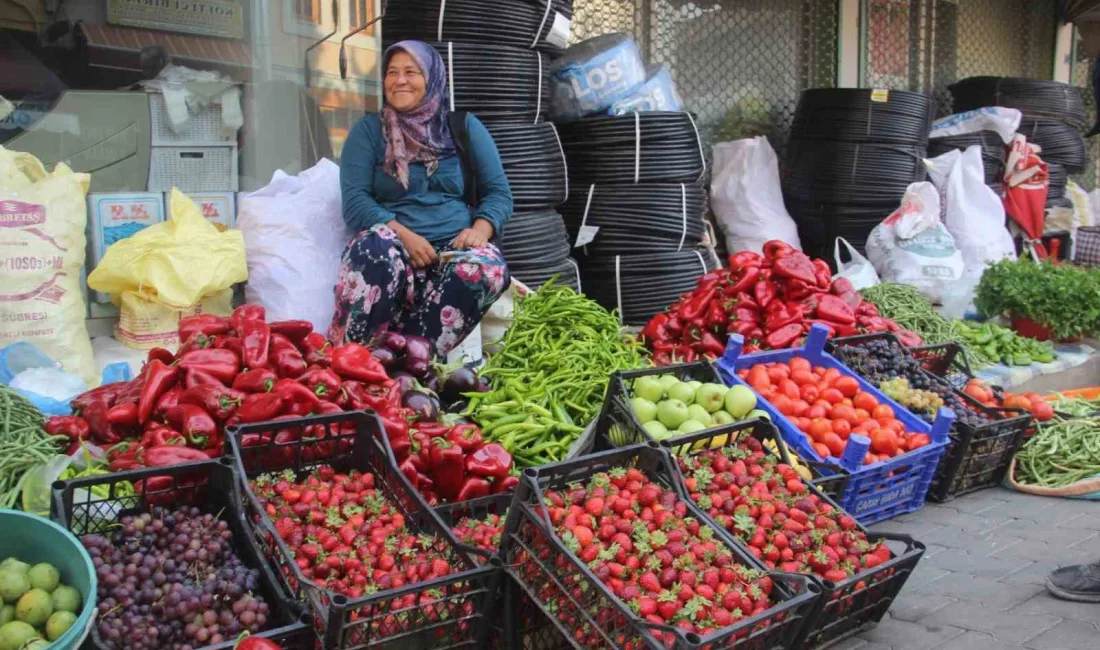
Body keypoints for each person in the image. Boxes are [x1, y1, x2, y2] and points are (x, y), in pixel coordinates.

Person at [331, 40, 512, 357]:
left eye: (411, 72)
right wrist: (405, 237)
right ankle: (355, 361)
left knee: (488, 266)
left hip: (451, 252)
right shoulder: (369, 132)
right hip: (394, 249)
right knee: (372, 247)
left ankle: (413, 360)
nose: (399, 80)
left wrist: (479, 232)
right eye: (391, 72)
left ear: (432, 78)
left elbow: (498, 193)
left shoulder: (463, 128)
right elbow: (355, 202)